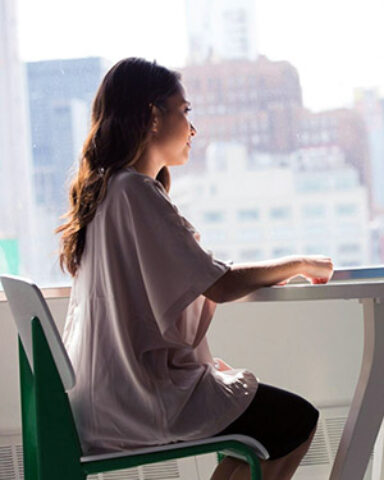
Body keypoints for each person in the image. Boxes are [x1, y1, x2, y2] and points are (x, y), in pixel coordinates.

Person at [58, 57, 333, 480]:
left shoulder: (109, 191)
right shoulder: (134, 191)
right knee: (294, 421)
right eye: (184, 112)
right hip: (137, 400)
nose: (193, 128)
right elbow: (218, 284)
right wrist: (297, 263)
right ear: (153, 116)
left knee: (264, 431)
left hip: (106, 396)